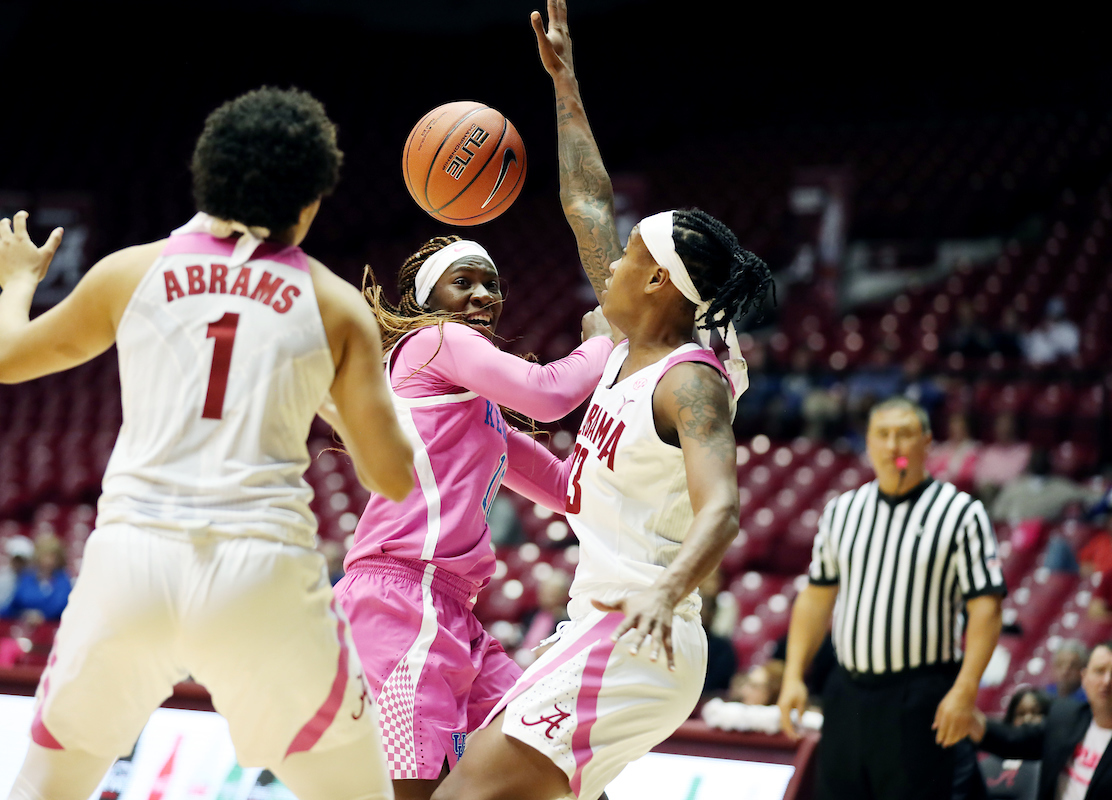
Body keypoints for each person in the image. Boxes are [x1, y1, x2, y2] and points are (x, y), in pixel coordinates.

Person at [0, 87, 415, 800]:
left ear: (205, 175)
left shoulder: (130, 270)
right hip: (261, 574)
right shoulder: (335, 304)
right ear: (311, 199)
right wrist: (334, 395)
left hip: (131, 562)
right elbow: (393, 477)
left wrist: (20, 281)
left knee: (41, 791)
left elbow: (5, 359)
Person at [432, 5, 772, 799]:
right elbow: (588, 205)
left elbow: (721, 507)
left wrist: (669, 586)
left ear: (658, 281)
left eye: (629, 257)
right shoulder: (626, 343)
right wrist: (566, 84)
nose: (609, 262)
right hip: (593, 624)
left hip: (639, 631)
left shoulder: (691, 381)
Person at [332, 231, 614, 797]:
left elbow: (568, 490)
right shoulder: (434, 339)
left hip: (454, 612)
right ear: (424, 299)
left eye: (492, 284)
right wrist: (604, 342)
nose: (484, 294)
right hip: (398, 605)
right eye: (464, 282)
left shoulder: (478, 413)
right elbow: (548, 394)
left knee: (553, 761)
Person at [777, 396, 1006, 800]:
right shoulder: (842, 511)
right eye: (882, 435)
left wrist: (966, 689)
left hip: (920, 696)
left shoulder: (960, 512)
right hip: (846, 693)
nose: (893, 445)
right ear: (868, 443)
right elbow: (815, 598)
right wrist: (794, 674)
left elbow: (985, 609)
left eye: (904, 434)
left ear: (927, 442)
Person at [968, 640, 1112, 800]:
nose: (1107, 681)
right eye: (1099, 671)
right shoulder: (1067, 718)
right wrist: (970, 719)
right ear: (1084, 678)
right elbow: (1015, 739)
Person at [0, 533, 73, 623]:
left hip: (52, 627)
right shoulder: (27, 577)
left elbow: (61, 605)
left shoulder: (63, 580)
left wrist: (42, 615)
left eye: (52, 556)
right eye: (45, 555)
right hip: (25, 624)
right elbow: (15, 603)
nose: (48, 560)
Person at [0, 534, 34, 616]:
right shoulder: (0, 577)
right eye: (16, 559)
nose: (18, 563)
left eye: (21, 560)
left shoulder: (32, 578)